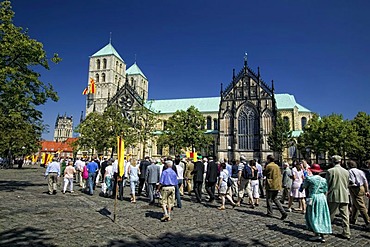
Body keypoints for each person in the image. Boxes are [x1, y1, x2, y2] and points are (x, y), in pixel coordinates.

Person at [301, 164, 332, 243]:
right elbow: (326, 190)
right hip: (322, 197)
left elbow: (303, 187)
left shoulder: (310, 179)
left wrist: (304, 181)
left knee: (313, 215)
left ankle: (317, 234)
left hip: (313, 197)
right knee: (321, 215)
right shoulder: (323, 180)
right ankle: (322, 234)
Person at [326, 155, 351, 239]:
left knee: (330, 214)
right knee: (345, 215)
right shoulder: (346, 171)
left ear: (332, 161)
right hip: (344, 194)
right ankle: (346, 232)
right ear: (340, 161)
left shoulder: (330, 171)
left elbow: (327, 184)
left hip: (333, 195)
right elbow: (347, 183)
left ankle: (326, 230)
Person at [263, 155, 287, 220]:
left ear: (268, 159)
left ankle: (270, 213)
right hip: (277, 185)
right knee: (275, 199)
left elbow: (264, 173)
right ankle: (283, 212)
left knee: (269, 199)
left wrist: (265, 167)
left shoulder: (268, 166)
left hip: (270, 185)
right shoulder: (277, 166)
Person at [347, 160, 370, 229]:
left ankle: (368, 222)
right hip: (362, 187)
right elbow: (365, 181)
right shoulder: (360, 171)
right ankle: (353, 219)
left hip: (355, 188)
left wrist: (347, 185)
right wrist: (366, 190)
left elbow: (352, 181)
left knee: (360, 205)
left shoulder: (349, 171)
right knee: (355, 204)